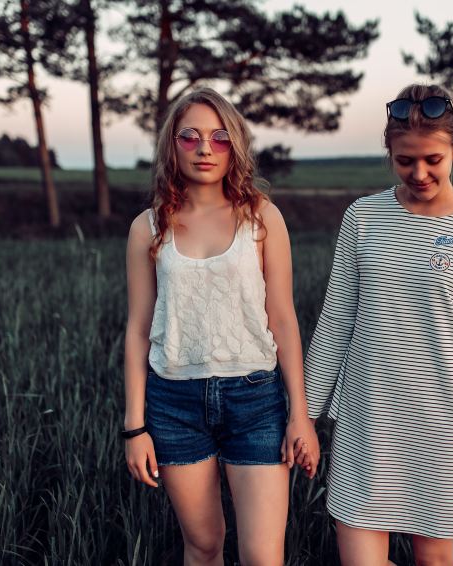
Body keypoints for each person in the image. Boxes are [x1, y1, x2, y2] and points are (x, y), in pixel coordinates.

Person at [304, 83, 453, 565]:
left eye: (433, 160)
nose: (419, 173)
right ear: (389, 154)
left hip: (444, 426)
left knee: (434, 561)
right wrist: (307, 416)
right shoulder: (363, 217)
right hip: (369, 419)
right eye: (405, 161)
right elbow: (337, 319)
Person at [121, 87, 319, 566]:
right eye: (190, 137)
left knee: (261, 557)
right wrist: (134, 427)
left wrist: (300, 415)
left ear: (235, 146)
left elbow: (284, 319)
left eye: (219, 138)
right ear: (172, 145)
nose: (205, 148)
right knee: (205, 546)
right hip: (174, 406)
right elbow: (137, 330)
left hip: (256, 400)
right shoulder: (148, 227)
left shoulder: (262, 218)